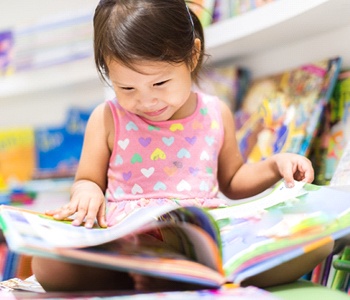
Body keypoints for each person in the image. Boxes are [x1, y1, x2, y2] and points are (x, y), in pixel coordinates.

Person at [31, 0, 333, 292]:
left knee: (318, 241)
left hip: (201, 241)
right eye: (126, 88)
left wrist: (274, 166)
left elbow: (233, 182)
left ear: (192, 56)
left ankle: (182, 275)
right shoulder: (108, 118)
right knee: (47, 266)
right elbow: (87, 180)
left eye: (160, 83)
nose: (146, 100)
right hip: (133, 243)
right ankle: (158, 277)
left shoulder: (216, 113)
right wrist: (87, 193)